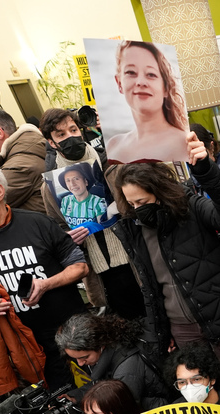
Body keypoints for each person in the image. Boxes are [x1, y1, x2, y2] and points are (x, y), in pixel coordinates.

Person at [106, 133, 220, 409]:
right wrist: (164, 329)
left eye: (143, 202)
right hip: (182, 329)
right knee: (202, 393)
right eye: (131, 204)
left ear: (159, 192)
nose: (137, 210)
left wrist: (206, 170)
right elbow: (151, 286)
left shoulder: (191, 208)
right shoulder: (135, 232)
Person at [0, 162, 89, 388]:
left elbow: (80, 267)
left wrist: (47, 284)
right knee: (60, 398)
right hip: (25, 344)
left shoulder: (37, 223)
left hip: (70, 330)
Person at [39, 108, 143, 321]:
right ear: (52, 142)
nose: (71, 137)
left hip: (132, 254)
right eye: (61, 135)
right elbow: (57, 228)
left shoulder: (111, 163)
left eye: (73, 129)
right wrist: (68, 238)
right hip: (97, 270)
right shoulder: (50, 187)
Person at [55, 312, 171, 410]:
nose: (80, 363)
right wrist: (76, 396)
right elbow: (102, 384)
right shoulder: (115, 343)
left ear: (100, 345)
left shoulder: (126, 370)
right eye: (75, 359)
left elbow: (122, 411)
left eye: (84, 357)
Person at [106, 41, 188, 164]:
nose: (140, 82)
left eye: (151, 74)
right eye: (131, 72)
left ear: (165, 87)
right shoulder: (113, 145)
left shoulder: (184, 143)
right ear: (119, 83)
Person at [40, 107, 101, 171]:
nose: (70, 136)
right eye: (61, 134)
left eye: (74, 130)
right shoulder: (52, 177)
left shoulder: (106, 160)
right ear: (52, 143)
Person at [59, 163, 108, 230]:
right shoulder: (65, 200)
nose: (72, 184)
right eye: (68, 180)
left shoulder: (98, 202)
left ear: (86, 182)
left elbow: (102, 229)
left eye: (76, 179)